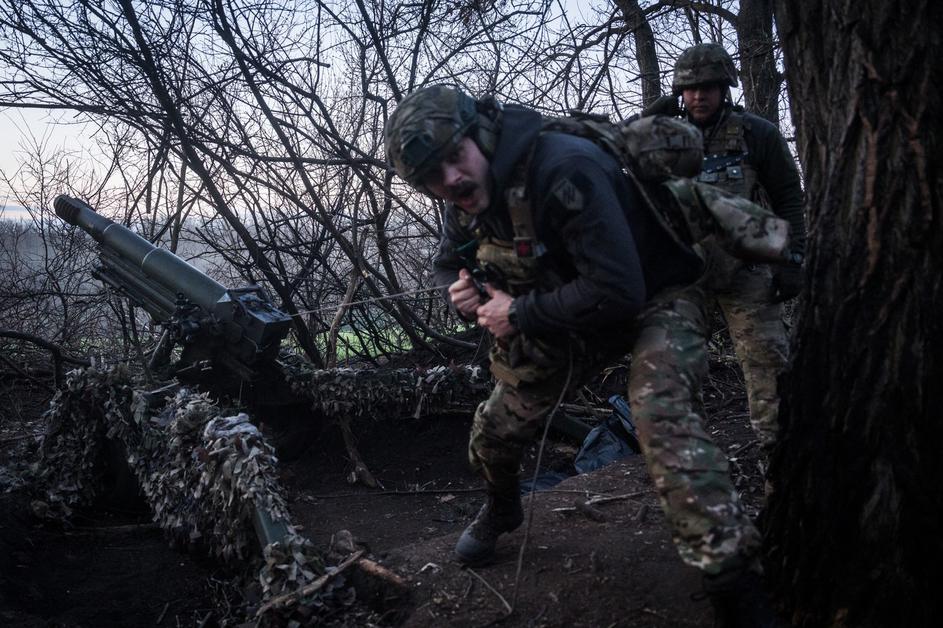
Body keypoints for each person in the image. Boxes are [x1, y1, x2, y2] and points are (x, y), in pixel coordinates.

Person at [384, 85, 783, 627]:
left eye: (455, 156)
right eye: (433, 175)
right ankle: (503, 506)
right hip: (565, 317)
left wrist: (519, 315)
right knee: (493, 434)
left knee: (662, 418)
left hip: (653, 300)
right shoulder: (467, 199)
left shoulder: (564, 167)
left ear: (481, 134)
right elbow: (445, 262)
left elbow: (621, 290)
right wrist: (463, 291)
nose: (450, 178)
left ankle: (733, 580)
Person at [647, 43, 806, 460]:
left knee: (770, 376)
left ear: (724, 88)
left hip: (747, 269)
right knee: (674, 380)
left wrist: (793, 259)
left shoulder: (756, 133)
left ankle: (783, 483)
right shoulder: (662, 137)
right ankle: (701, 487)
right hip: (682, 276)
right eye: (690, 88)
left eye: (709, 87)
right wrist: (647, 118)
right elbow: (613, 163)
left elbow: (789, 196)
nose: (698, 96)